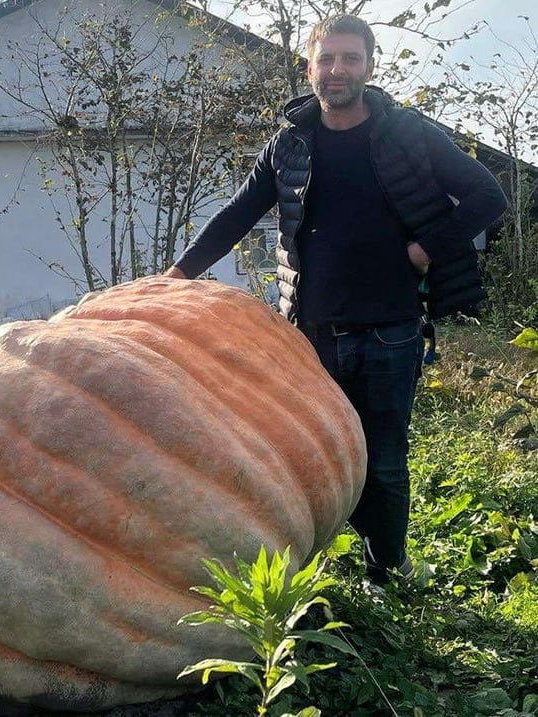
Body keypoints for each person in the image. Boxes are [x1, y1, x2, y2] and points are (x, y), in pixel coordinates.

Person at [164, 14, 507, 588]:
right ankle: (313, 569)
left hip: (391, 328)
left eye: (350, 59)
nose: (337, 70)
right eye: (326, 60)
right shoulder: (290, 143)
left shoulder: (407, 132)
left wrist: (426, 248)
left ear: (370, 65)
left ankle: (385, 570)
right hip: (308, 334)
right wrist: (178, 275)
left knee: (384, 460)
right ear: (310, 68)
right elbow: (236, 215)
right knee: (304, 457)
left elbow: (486, 195)